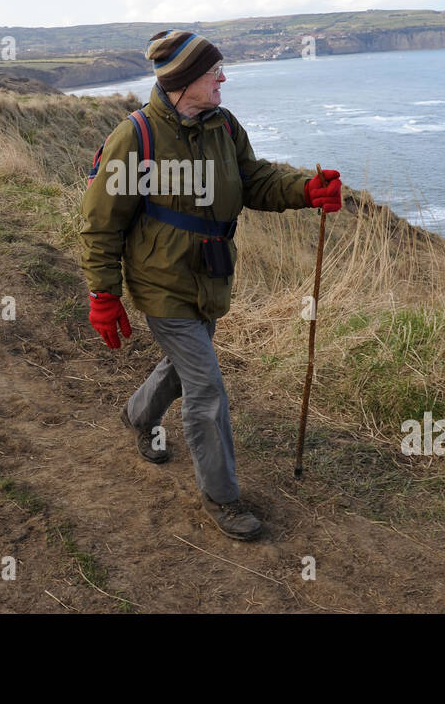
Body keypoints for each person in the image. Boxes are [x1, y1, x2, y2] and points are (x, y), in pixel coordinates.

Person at [79, 30, 342, 540]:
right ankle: (223, 498)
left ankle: (139, 415)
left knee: (183, 368)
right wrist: (103, 295)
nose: (223, 78)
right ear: (182, 83)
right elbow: (100, 223)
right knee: (207, 388)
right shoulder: (135, 138)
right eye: (211, 72)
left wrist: (305, 190)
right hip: (161, 282)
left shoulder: (223, 125)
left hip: (212, 276)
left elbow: (254, 181)